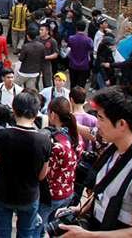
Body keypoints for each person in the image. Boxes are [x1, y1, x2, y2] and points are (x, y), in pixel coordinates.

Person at [58, 86, 132, 237]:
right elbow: (102, 194)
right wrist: (79, 211)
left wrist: (88, 235)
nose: (97, 124)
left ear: (121, 124)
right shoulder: (111, 150)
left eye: (101, 118)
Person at [0, 90, 52, 238]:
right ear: (36, 113)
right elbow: (42, 175)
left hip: (3, 194)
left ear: (14, 110)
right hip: (29, 196)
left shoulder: (1, 135)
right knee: (26, 233)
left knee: (2, 233)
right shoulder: (44, 141)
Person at [36, 97, 80, 236]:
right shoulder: (73, 137)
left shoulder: (55, 144)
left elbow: (44, 172)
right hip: (67, 192)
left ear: (53, 114)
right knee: (54, 230)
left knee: (39, 230)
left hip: (50, 194)